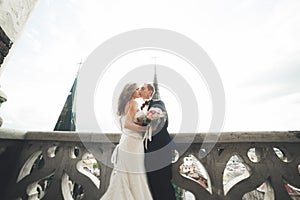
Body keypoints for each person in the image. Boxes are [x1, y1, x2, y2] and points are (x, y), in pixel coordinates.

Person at [100, 83, 153, 200]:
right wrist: (146, 129)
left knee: (127, 174)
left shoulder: (124, 105)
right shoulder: (133, 103)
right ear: (130, 91)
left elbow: (123, 126)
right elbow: (127, 124)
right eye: (137, 89)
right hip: (132, 144)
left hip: (127, 142)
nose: (139, 90)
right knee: (134, 173)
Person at [139, 83, 176, 200]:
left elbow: (155, 114)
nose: (140, 90)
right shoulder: (139, 107)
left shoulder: (158, 104)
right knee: (152, 186)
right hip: (147, 153)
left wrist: (145, 119)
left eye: (143, 88)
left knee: (163, 186)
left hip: (160, 150)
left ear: (150, 92)